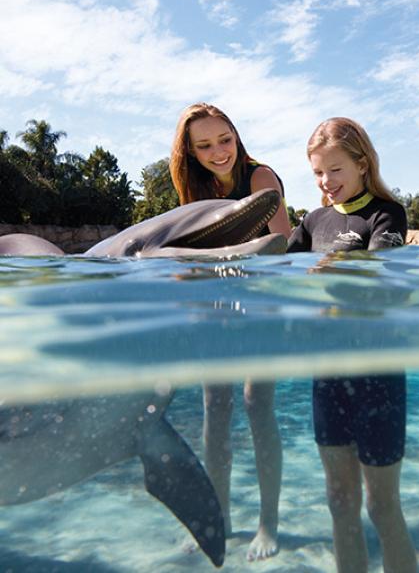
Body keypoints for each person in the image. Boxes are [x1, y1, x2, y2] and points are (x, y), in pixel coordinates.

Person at [288, 117, 417, 573]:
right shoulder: (311, 222)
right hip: (328, 372)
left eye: (335, 170)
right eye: (318, 174)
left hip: (376, 372)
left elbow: (380, 269)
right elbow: (277, 269)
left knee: (382, 506)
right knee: (340, 503)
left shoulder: (387, 213)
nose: (326, 183)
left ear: (362, 164)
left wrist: (332, 269)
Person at [170, 102, 291, 561]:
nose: (219, 152)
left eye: (225, 139)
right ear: (191, 153)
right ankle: (217, 519)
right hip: (218, 309)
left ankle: (268, 524)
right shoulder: (195, 187)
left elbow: (276, 249)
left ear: (236, 135)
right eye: (204, 146)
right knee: (213, 414)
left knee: (257, 407)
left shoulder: (260, 178)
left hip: (262, 303)